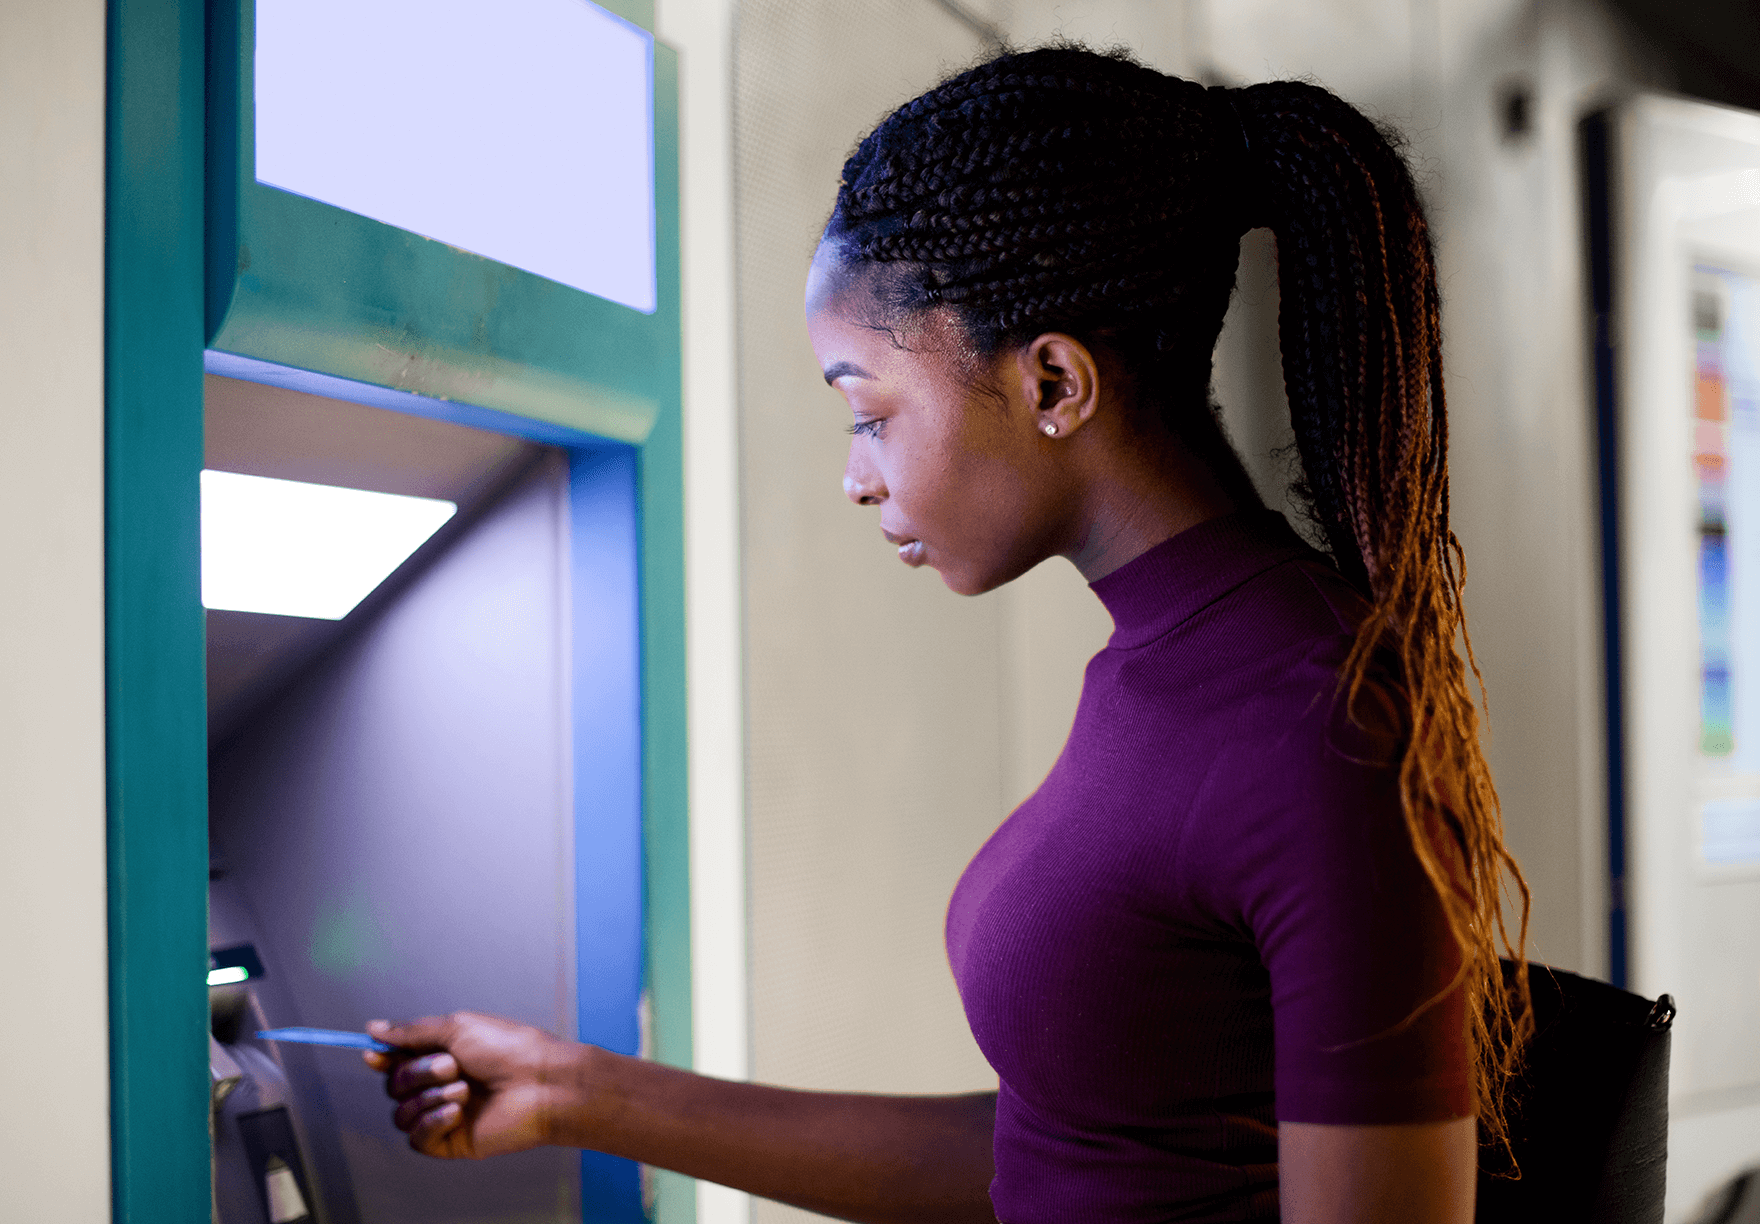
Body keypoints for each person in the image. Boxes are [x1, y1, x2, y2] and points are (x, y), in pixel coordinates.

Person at [365, 46, 1533, 1224]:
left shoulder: (1306, 717)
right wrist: (574, 1093)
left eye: (869, 414)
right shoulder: (1165, 665)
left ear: (1055, 383)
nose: (854, 479)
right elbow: (1064, 1152)